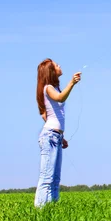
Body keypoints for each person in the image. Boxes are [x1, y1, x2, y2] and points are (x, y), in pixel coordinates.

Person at [34, 58, 81, 207]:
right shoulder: (48, 88)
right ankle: (41, 212)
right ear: (51, 71)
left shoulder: (54, 88)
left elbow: (49, 114)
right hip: (49, 136)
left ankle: (52, 211)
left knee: (55, 179)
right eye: (56, 65)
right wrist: (72, 83)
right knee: (47, 178)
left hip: (56, 136)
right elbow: (60, 98)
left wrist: (62, 137)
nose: (60, 66)